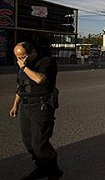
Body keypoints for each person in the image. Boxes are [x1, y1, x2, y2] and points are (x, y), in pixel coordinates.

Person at [9, 42, 62, 180]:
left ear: (32, 52)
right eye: (18, 57)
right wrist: (15, 105)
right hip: (26, 107)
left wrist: (24, 67)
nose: (20, 59)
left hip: (41, 106)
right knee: (28, 142)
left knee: (39, 144)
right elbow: (21, 86)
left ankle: (54, 172)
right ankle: (41, 168)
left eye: (23, 56)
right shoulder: (23, 66)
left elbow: (39, 79)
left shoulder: (46, 62)